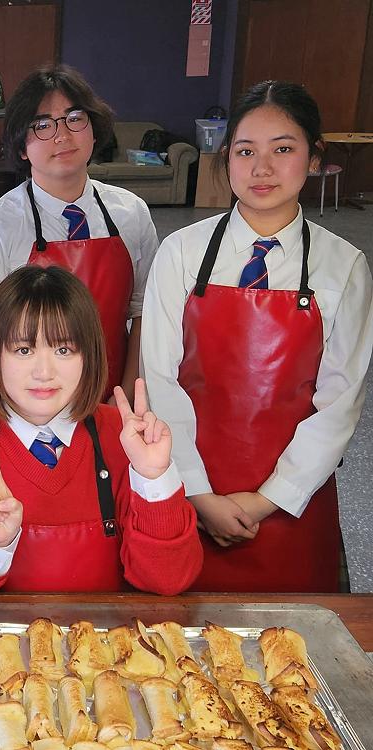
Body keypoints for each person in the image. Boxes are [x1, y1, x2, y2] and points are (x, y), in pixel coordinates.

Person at [141, 81, 373, 592]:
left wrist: (269, 498)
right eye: (246, 151)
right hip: (187, 489)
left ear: (315, 157)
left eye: (283, 150)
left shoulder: (344, 266)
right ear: (227, 158)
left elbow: (339, 404)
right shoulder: (181, 253)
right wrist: (199, 494)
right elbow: (159, 379)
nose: (262, 168)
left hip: (293, 503)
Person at [0, 266, 202, 595]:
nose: (44, 372)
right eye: (23, 350)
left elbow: (168, 582)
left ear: (89, 355)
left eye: (63, 350)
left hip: (105, 630)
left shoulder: (128, 440)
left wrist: (154, 478)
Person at [0, 66, 159, 398]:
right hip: (29, 403)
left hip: (115, 402)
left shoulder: (131, 213)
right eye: (43, 125)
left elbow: (143, 312)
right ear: (21, 147)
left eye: (74, 118)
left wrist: (125, 395)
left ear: (94, 130)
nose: (62, 135)